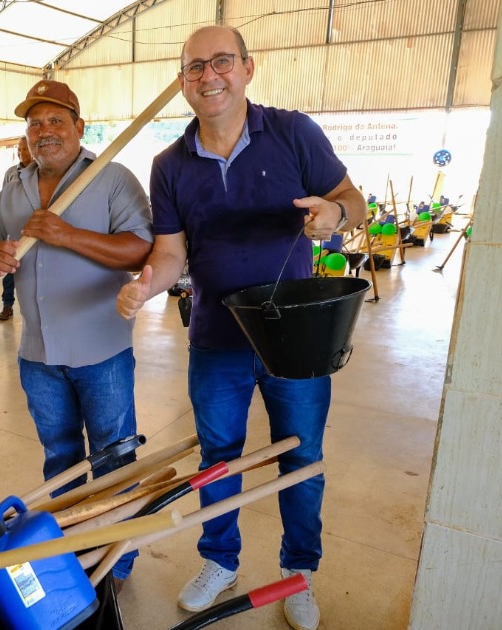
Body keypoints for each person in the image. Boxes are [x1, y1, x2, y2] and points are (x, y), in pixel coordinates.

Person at [116, 25, 363, 630]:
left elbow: (353, 203)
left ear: (248, 68)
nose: (209, 76)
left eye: (221, 62)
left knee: (301, 459)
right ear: (182, 82)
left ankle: (299, 572)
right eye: (195, 67)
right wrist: (148, 283)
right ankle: (219, 560)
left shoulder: (293, 133)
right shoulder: (168, 165)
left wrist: (333, 214)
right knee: (218, 458)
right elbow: (173, 252)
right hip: (216, 339)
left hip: (296, 340)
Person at [0, 79, 153, 585]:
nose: (44, 132)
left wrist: (66, 234)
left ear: (78, 127)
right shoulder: (12, 189)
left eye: (55, 121)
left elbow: (139, 249)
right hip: (37, 355)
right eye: (34, 124)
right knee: (61, 460)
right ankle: (70, 549)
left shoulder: (112, 178)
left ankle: (118, 560)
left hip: (103, 352)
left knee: (114, 459)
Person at [0, 136, 33, 322]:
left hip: (34, 233)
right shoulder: (11, 173)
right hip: (13, 231)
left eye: (25, 149)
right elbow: (3, 201)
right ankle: (7, 305)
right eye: (19, 149)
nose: (21, 152)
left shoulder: (42, 172)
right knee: (8, 271)